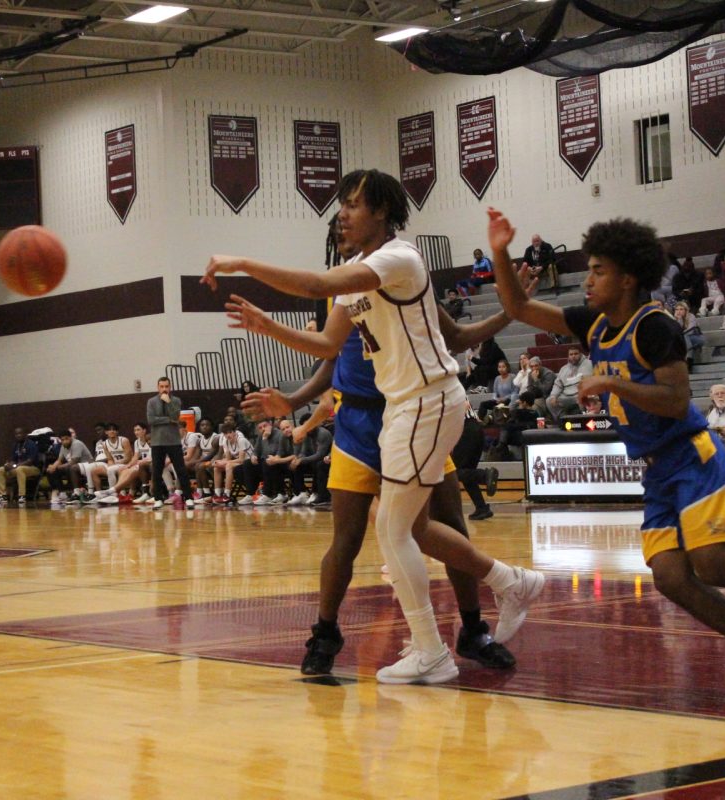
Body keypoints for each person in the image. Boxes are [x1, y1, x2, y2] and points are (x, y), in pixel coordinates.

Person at [208, 168, 544, 684]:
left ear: (383, 212)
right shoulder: (356, 271)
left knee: (400, 530)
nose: (342, 212)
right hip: (391, 411)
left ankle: (453, 634)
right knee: (400, 530)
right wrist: (266, 326)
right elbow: (326, 346)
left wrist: (242, 262)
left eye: (355, 204)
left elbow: (319, 283)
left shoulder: (399, 258)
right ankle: (489, 598)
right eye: (341, 203)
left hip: (424, 401)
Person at [488, 206, 725, 698]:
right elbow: (517, 307)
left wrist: (610, 379)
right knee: (671, 578)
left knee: (716, 565)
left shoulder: (654, 326)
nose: (586, 280)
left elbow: (676, 402)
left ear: (628, 278)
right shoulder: (595, 325)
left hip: (691, 455)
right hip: (656, 470)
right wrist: (501, 251)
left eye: (598, 270)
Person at [146, 376, 194, 509]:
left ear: (170, 387)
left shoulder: (176, 400)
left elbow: (175, 417)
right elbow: (151, 420)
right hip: (157, 442)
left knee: (181, 470)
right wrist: (168, 420)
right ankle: (158, 499)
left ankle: (189, 498)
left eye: (166, 386)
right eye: (161, 386)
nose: (164, 389)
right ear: (158, 387)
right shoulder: (151, 402)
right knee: (156, 471)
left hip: (173, 441)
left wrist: (168, 403)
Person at [453, 404, 498, 520]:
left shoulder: (442, 390)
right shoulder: (452, 388)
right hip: (475, 428)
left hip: (466, 431)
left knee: (456, 471)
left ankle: (484, 475)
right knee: (467, 473)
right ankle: (482, 508)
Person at [542, 345, 592, 422]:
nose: (573, 356)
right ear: (568, 356)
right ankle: (563, 420)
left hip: (581, 394)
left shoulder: (589, 364)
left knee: (585, 398)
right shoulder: (563, 369)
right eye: (571, 354)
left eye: (576, 354)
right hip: (566, 396)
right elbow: (558, 385)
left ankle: (583, 421)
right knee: (549, 401)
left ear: (580, 354)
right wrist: (553, 396)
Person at [0, 427, 41, 506]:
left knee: (20, 469)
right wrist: (8, 464)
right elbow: (13, 459)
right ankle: (3, 496)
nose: (18, 435)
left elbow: (30, 461)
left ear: (25, 434)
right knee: (0, 470)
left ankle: (21, 496)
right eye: (16, 434)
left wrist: (16, 466)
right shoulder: (16, 445)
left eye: (20, 433)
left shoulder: (31, 444)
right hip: (18, 468)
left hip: (33, 468)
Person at [673, 302, 705, 371]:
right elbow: (676, 332)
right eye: (677, 309)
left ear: (686, 310)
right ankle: (689, 362)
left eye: (681, 309)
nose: (679, 311)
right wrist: (679, 320)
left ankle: (688, 361)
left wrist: (680, 321)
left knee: (685, 335)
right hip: (687, 342)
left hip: (697, 338)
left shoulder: (691, 316)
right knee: (684, 337)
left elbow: (690, 331)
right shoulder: (674, 319)